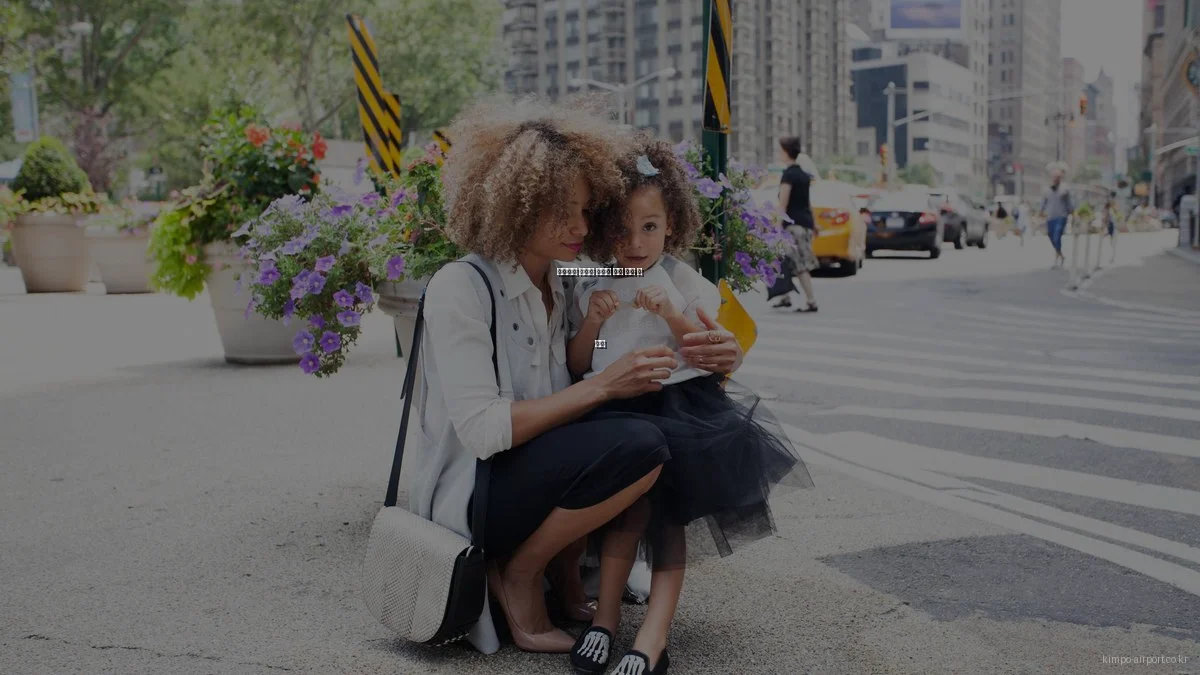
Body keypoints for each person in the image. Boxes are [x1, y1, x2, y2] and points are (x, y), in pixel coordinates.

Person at [401, 96, 748, 656]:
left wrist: (724, 348)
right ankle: (518, 572)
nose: (581, 227)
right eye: (563, 210)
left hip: (540, 472)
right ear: (517, 205)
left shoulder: (567, 281)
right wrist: (606, 385)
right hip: (479, 489)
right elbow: (485, 432)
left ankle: (564, 579)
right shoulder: (460, 287)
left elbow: (650, 275)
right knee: (639, 442)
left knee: (646, 439)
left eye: (587, 211)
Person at [565, 135, 813, 675]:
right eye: (623, 230)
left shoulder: (687, 283)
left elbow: (706, 358)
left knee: (667, 521)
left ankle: (653, 636)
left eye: (649, 228)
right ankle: (605, 620)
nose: (636, 243)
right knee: (623, 516)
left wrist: (674, 315)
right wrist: (595, 325)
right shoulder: (592, 283)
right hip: (619, 407)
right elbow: (590, 360)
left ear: (671, 225)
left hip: (681, 411)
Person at [774, 136, 820, 312]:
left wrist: (778, 227)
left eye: (780, 150)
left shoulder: (789, 175)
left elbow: (783, 204)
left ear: (786, 152)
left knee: (799, 264)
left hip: (793, 226)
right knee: (785, 260)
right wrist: (815, 225)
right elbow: (808, 203)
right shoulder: (803, 175)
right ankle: (785, 296)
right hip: (805, 224)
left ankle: (811, 301)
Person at [1039, 169, 1073, 268]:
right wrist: (1040, 212)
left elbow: (1069, 203)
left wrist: (1072, 212)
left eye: (1057, 177)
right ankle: (1061, 255)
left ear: (1060, 178)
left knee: (1057, 235)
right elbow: (1043, 202)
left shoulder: (1065, 189)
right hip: (1050, 217)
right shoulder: (1047, 190)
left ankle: (1057, 258)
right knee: (1051, 236)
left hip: (1061, 216)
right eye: (1054, 177)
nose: (1055, 179)